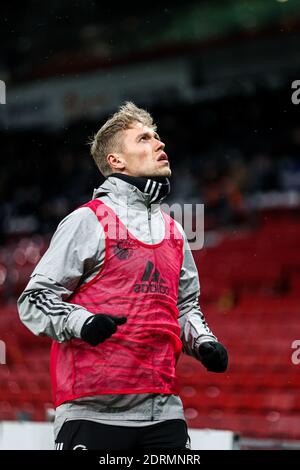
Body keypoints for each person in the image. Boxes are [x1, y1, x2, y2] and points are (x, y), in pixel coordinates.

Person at [18, 102, 228, 450]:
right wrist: (83, 322)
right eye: (144, 139)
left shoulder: (176, 232)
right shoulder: (86, 220)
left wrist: (203, 342)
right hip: (92, 408)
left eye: (158, 137)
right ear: (116, 161)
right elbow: (34, 299)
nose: (159, 144)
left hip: (164, 410)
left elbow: (185, 306)